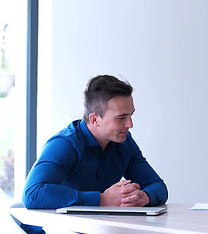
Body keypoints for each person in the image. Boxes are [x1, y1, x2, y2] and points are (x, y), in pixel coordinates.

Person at [23, 75, 168, 209]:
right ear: (94, 119)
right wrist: (102, 199)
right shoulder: (64, 144)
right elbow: (32, 193)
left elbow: (157, 186)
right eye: (121, 118)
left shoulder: (125, 143)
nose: (130, 124)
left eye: (131, 115)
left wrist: (144, 197)